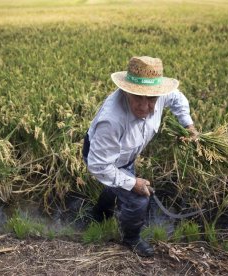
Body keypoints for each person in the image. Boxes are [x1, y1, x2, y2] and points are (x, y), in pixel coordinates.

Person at [82, 56, 198, 257]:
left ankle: (98, 214)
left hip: (125, 157)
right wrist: (133, 183)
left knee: (116, 187)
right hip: (103, 159)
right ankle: (131, 239)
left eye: (151, 98)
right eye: (138, 97)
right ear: (126, 91)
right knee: (138, 200)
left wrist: (188, 125)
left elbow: (177, 98)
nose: (144, 106)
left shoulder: (161, 94)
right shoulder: (111, 120)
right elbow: (99, 166)